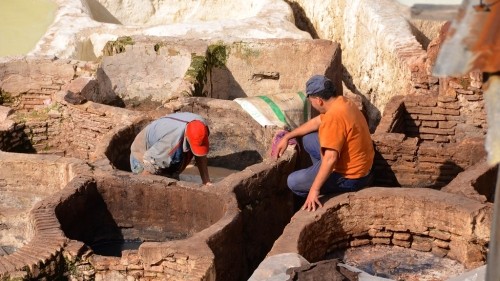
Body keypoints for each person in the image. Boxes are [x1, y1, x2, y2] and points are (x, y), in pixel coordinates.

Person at [276, 75, 374, 211]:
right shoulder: (342, 102)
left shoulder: (333, 119)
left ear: (319, 100)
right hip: (363, 166)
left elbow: (331, 158)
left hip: (351, 178)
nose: (311, 104)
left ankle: (323, 191)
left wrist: (314, 189)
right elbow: (317, 122)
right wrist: (288, 136)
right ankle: (320, 175)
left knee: (293, 181)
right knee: (308, 139)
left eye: (311, 101)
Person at [130, 112, 212, 185]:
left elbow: (200, 155)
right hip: (142, 154)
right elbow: (149, 168)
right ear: (186, 137)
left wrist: (206, 181)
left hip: (165, 139)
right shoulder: (170, 143)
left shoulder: (202, 125)